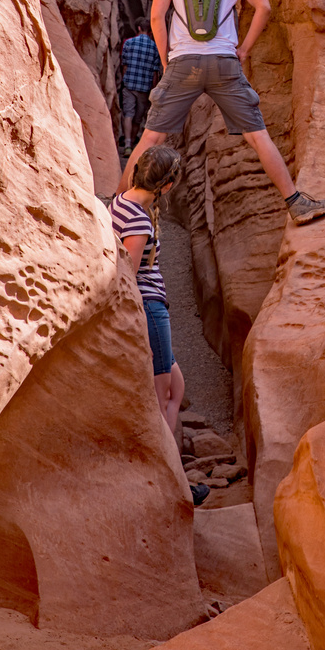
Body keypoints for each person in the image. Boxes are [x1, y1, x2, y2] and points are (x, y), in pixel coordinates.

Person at [116, 0, 325, 226]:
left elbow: (156, 16)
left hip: (183, 63)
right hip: (223, 63)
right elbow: (263, 7)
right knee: (258, 136)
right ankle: (295, 203)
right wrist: (243, 50)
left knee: (151, 137)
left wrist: (167, 61)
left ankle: (117, 205)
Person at [110, 145, 209, 506]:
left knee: (175, 389)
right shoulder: (137, 220)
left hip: (152, 310)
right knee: (163, 397)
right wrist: (140, 336)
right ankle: (166, 483)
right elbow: (128, 278)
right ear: (165, 186)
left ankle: (171, 477)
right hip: (150, 309)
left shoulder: (122, 202)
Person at [120, 17, 162, 157]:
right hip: (144, 88)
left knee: (128, 114)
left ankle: (127, 145)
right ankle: (132, 142)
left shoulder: (128, 43)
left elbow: (124, 65)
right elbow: (155, 73)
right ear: (150, 30)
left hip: (130, 85)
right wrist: (153, 90)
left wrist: (124, 81)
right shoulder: (155, 47)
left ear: (138, 28)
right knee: (138, 118)